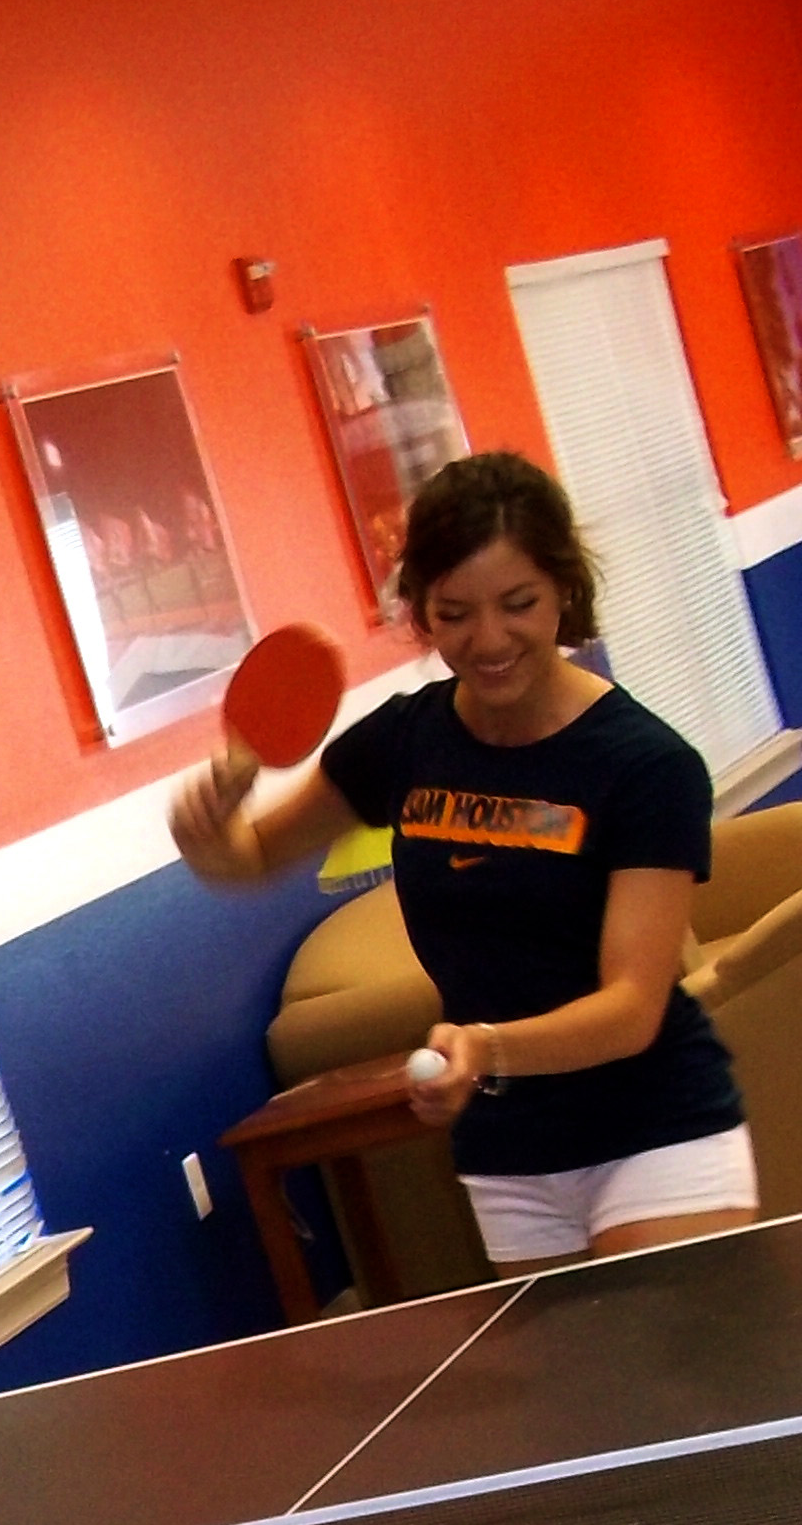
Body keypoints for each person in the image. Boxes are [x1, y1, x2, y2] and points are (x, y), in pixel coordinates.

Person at [170, 451, 755, 1272]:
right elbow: (253, 856)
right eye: (454, 614)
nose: (488, 641)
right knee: (574, 1399)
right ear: (420, 611)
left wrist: (484, 1050)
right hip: (510, 1149)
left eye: (518, 604)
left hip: (655, 1130)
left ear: (563, 591)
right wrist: (208, 827)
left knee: (675, 1381)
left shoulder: (645, 765)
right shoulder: (406, 742)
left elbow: (632, 1008)